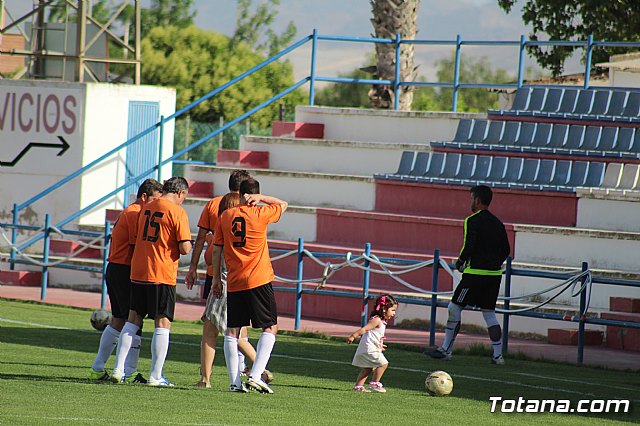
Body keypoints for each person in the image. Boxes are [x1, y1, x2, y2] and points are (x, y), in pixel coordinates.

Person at [112, 177, 193, 386]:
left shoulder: (145, 208)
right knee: (162, 322)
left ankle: (118, 369)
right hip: (161, 271)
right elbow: (185, 248)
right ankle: (156, 375)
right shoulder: (177, 211)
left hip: (138, 271)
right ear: (181, 193)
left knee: (132, 320)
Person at [211, 178, 287, 393]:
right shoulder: (260, 213)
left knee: (232, 331)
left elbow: (217, 249)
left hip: (234, 279)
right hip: (258, 278)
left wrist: (216, 278)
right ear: (254, 195)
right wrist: (262, 199)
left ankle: (234, 383)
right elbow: (283, 204)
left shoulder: (225, 216)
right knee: (270, 326)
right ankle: (255, 375)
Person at [87, 179, 163, 383]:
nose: (157, 204)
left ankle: (98, 367)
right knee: (134, 320)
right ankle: (128, 372)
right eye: (155, 199)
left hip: (116, 268)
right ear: (144, 197)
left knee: (120, 320)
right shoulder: (135, 213)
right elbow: (137, 244)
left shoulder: (133, 211)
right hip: (124, 269)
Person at [194, 193, 272, 388]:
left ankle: (206, 379)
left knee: (212, 331)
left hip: (224, 284)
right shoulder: (251, 224)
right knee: (240, 334)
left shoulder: (223, 228)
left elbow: (212, 257)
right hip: (247, 283)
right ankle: (259, 370)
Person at [426, 185, 510, 365]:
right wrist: (494, 263)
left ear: (477, 200)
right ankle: (498, 356)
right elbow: (506, 250)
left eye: (471, 198)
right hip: (494, 275)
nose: (470, 202)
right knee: (489, 313)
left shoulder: (472, 220)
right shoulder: (498, 223)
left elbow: (469, 245)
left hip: (474, 275)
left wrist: (460, 261)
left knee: (454, 307)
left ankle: (446, 349)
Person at [347, 294, 398, 393]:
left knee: (368, 368)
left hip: (371, 347)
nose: (394, 313)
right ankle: (374, 383)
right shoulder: (376, 320)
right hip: (369, 348)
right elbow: (365, 329)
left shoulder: (381, 321)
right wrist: (354, 336)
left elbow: (374, 335)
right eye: (392, 310)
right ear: (384, 309)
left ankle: (358, 386)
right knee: (384, 364)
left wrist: (380, 345)